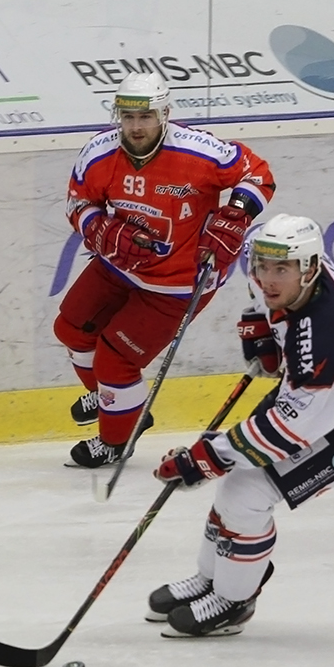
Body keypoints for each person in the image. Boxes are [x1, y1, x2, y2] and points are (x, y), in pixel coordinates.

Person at [145, 214, 334, 637]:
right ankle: (212, 578)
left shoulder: (333, 342)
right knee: (235, 479)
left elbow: (293, 429)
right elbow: (264, 292)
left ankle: (234, 601)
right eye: (262, 267)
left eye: (281, 270)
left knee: (247, 491)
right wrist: (261, 326)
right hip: (321, 391)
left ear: (309, 269)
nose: (267, 279)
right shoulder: (290, 270)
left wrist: (207, 458)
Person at [55, 72, 275, 468]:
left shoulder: (199, 151)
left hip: (179, 282)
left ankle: (116, 441)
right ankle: (120, 403)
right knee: (71, 329)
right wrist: (101, 228)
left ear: (165, 114)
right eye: (128, 117)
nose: (136, 127)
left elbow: (258, 173)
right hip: (121, 264)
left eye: (146, 117)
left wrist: (236, 214)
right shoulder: (99, 154)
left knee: (116, 361)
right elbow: (78, 202)